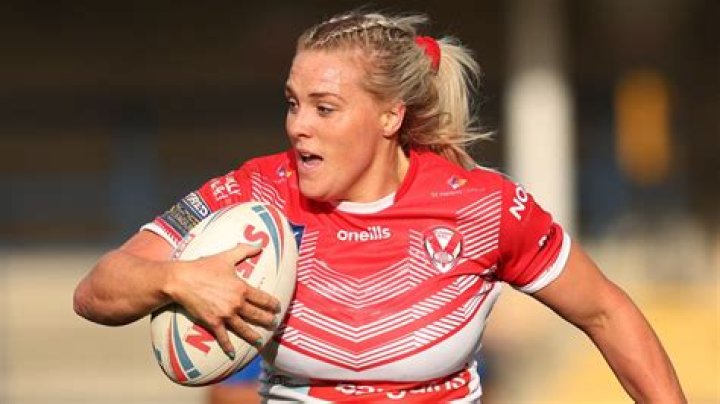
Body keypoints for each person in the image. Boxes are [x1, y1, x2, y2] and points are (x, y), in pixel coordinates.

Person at [73, 10, 686, 403]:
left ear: (390, 116)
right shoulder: (255, 192)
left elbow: (606, 311)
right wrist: (177, 279)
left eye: (324, 108)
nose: (298, 126)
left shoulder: (482, 207)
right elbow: (96, 290)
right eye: (292, 103)